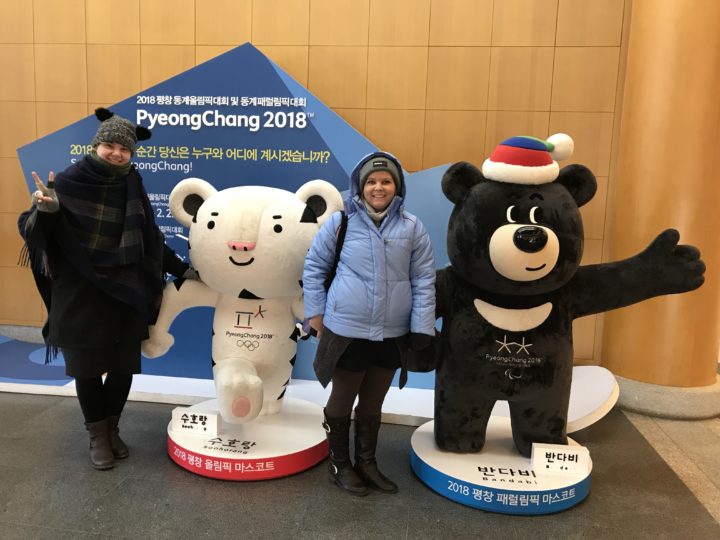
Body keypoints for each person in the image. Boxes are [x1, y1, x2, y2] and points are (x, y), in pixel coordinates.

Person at [18, 108, 195, 470]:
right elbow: (33, 231)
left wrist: (183, 270)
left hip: (127, 291)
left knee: (122, 368)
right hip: (80, 292)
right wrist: (46, 212)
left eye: (124, 148)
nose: (117, 153)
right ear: (96, 145)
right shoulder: (67, 182)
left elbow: (150, 239)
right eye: (110, 145)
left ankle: (112, 429)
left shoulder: (132, 183)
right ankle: (97, 436)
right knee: (86, 369)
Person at [303, 151, 436, 495]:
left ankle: (367, 463)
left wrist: (422, 327)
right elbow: (314, 267)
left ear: (397, 186)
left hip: (392, 333)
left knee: (373, 403)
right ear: (360, 187)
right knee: (342, 400)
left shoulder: (412, 227)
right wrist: (315, 314)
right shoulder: (340, 222)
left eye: (386, 181)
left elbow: (423, 278)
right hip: (347, 330)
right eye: (372, 181)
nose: (379, 187)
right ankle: (340, 464)